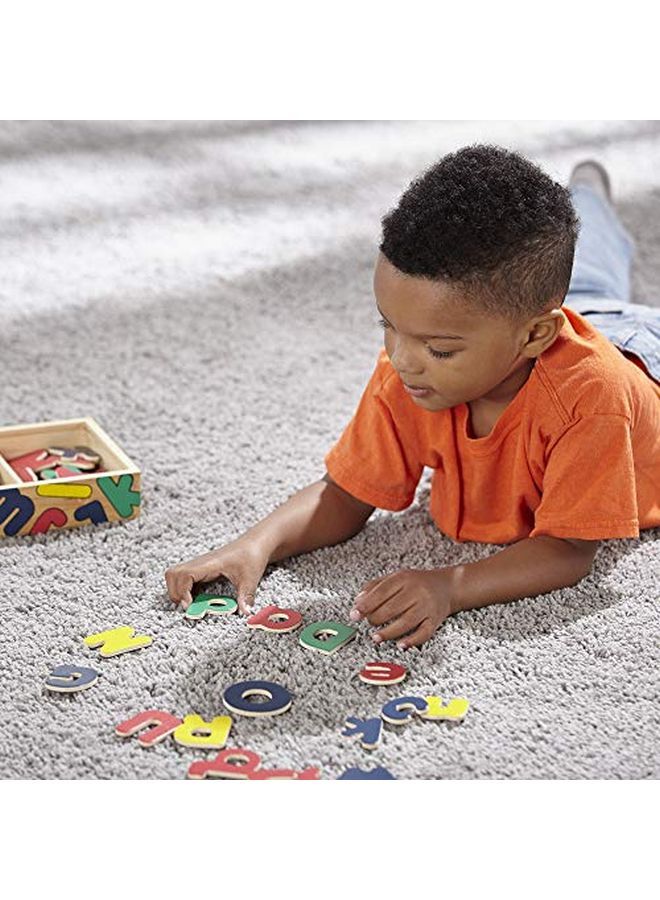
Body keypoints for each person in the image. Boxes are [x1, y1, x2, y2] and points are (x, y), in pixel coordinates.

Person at [165, 144, 660, 650]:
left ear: (535, 336)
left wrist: (450, 585)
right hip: (558, 319)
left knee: (596, 278)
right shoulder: (414, 370)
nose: (401, 358)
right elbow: (343, 494)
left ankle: (586, 200)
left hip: (640, 358)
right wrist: (255, 545)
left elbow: (569, 550)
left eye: (440, 348)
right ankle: (587, 197)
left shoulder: (592, 400)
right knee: (591, 273)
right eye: (389, 326)